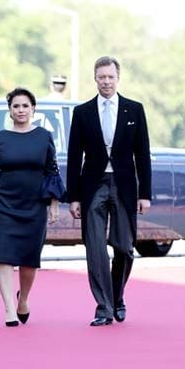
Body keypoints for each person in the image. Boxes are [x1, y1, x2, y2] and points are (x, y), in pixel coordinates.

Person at [66, 56, 151, 327]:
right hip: (93, 185)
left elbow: (143, 155)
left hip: (125, 187)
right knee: (95, 248)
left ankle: (118, 296)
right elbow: (73, 156)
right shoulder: (82, 113)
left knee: (124, 247)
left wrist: (145, 193)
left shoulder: (134, 110)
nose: (106, 81)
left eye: (110, 77)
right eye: (101, 77)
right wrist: (74, 197)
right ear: (95, 78)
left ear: (118, 78)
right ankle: (103, 306)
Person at [0, 87, 64, 327]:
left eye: (25, 105)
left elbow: (52, 170)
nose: (20, 110)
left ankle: (24, 300)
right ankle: (9, 308)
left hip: (34, 206)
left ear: (33, 109)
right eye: (15, 106)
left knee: (30, 260)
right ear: (9, 111)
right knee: (3, 257)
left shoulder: (44, 136)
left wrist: (53, 203)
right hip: (4, 205)